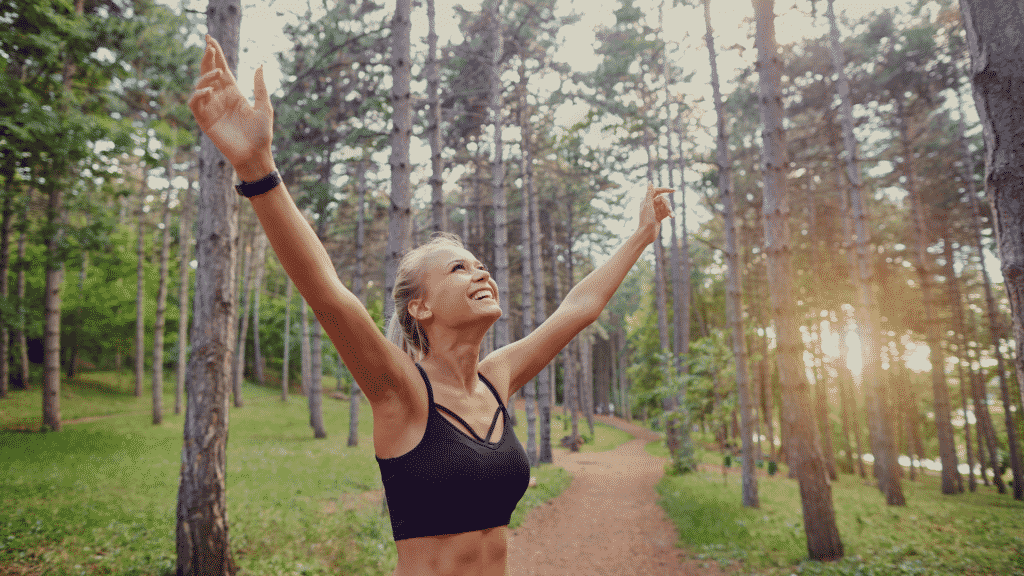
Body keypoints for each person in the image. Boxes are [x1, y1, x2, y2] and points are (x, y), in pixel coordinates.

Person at [189, 34, 673, 576]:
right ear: (418, 307)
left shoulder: (497, 377)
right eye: (459, 267)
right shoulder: (400, 391)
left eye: (479, 263)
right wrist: (259, 170)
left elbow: (578, 309)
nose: (480, 271)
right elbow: (328, 294)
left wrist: (640, 238)